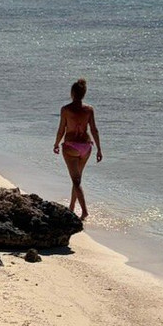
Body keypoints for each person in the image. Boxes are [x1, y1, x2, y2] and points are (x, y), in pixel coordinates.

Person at [53, 77, 102, 220]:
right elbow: (94, 130)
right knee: (77, 179)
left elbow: (61, 129)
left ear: (72, 93)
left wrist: (56, 144)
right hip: (86, 147)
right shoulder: (89, 110)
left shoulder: (66, 109)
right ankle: (72, 206)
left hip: (71, 147)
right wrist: (99, 149)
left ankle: (84, 212)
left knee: (76, 180)